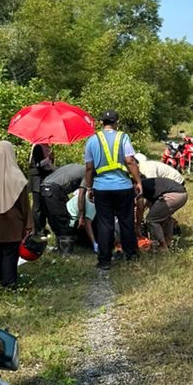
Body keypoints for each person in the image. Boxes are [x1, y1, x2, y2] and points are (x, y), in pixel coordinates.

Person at [81, 110, 143, 270]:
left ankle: (104, 261)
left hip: (101, 188)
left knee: (104, 224)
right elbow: (130, 161)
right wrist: (138, 181)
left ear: (101, 123)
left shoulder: (92, 140)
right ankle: (131, 256)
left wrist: (89, 187)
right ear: (117, 122)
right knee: (126, 221)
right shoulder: (123, 137)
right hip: (123, 187)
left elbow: (89, 168)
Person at [0, 141, 33, 288]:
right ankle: (9, 283)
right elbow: (25, 205)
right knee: (10, 253)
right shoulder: (18, 177)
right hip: (14, 223)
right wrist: (28, 225)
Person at [40, 163, 88, 253]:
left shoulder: (75, 166)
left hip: (43, 187)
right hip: (54, 189)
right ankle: (66, 253)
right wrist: (82, 215)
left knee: (54, 220)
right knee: (64, 221)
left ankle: (59, 248)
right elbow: (81, 194)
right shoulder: (87, 173)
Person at [136, 177, 187, 251]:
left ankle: (162, 245)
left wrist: (137, 227)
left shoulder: (139, 188)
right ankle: (168, 242)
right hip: (182, 194)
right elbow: (147, 204)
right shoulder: (146, 184)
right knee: (165, 217)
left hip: (173, 195)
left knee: (152, 220)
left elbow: (140, 208)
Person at [28, 143, 56, 235]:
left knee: (44, 205)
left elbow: (49, 166)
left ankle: (42, 227)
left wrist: (52, 160)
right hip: (37, 179)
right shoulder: (37, 147)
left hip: (44, 178)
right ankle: (36, 229)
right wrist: (48, 159)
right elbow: (37, 164)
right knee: (37, 206)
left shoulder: (47, 148)